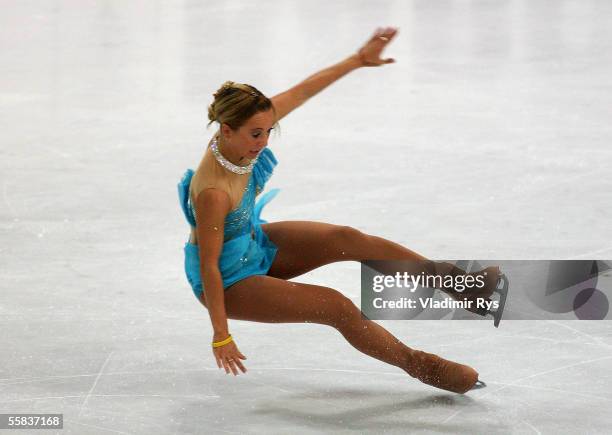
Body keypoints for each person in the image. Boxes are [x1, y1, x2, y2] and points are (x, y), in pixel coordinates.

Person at [178, 26, 499, 394]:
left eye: (270, 130)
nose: (263, 141)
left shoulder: (247, 124)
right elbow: (208, 267)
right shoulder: (213, 193)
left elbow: (302, 90)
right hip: (228, 281)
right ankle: (422, 365)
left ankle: (459, 284)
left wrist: (357, 61)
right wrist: (221, 335)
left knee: (345, 239)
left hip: (253, 244)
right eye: (255, 134)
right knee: (334, 305)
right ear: (226, 130)